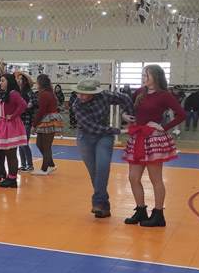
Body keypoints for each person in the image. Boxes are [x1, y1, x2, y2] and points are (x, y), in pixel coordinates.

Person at [123, 65, 186, 227]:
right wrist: (125, 115)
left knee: (155, 179)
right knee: (133, 177)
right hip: (138, 137)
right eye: (143, 75)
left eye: (147, 75)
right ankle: (141, 210)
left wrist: (163, 127)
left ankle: (158, 214)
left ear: (156, 77)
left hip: (153, 139)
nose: (143, 77)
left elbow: (181, 114)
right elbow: (129, 108)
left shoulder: (165, 95)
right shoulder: (139, 92)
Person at [71, 78, 133, 219]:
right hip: (85, 137)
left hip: (104, 136)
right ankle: (104, 205)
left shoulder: (105, 96)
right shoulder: (77, 105)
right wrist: (119, 131)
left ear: (94, 93)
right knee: (94, 172)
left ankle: (98, 203)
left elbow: (126, 98)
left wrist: (126, 115)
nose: (81, 96)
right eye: (79, 93)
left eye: (84, 94)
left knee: (102, 168)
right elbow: (91, 127)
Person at [0, 73, 29, 188]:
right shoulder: (6, 94)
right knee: (8, 153)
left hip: (11, 126)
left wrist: (13, 115)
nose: (0, 83)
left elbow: (23, 105)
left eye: (2, 81)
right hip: (4, 125)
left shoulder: (13, 93)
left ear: (9, 82)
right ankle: (10, 177)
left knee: (11, 154)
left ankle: (12, 179)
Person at [32, 74, 61, 175]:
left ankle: (44, 169)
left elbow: (41, 111)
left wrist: (34, 124)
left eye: (37, 82)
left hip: (47, 120)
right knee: (42, 144)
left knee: (45, 145)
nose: (36, 84)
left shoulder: (44, 94)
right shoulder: (49, 93)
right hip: (49, 120)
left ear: (40, 83)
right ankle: (51, 164)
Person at [16, 72, 36, 172]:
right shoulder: (18, 92)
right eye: (18, 79)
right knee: (20, 143)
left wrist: (21, 109)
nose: (18, 80)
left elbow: (31, 105)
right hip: (19, 121)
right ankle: (23, 164)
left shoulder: (29, 93)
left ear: (25, 81)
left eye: (21, 79)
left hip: (26, 121)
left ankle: (30, 165)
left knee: (24, 143)